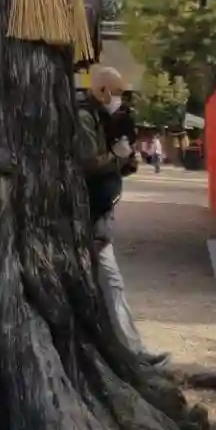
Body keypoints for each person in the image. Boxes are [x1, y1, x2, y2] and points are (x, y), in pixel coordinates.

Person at [75, 65, 165, 366]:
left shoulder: (106, 119)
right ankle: (133, 352)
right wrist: (116, 157)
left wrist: (127, 162)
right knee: (111, 282)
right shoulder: (85, 117)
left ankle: (116, 351)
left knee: (104, 285)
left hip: (101, 212)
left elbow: (112, 165)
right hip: (89, 214)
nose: (120, 100)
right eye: (116, 93)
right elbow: (88, 164)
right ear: (101, 90)